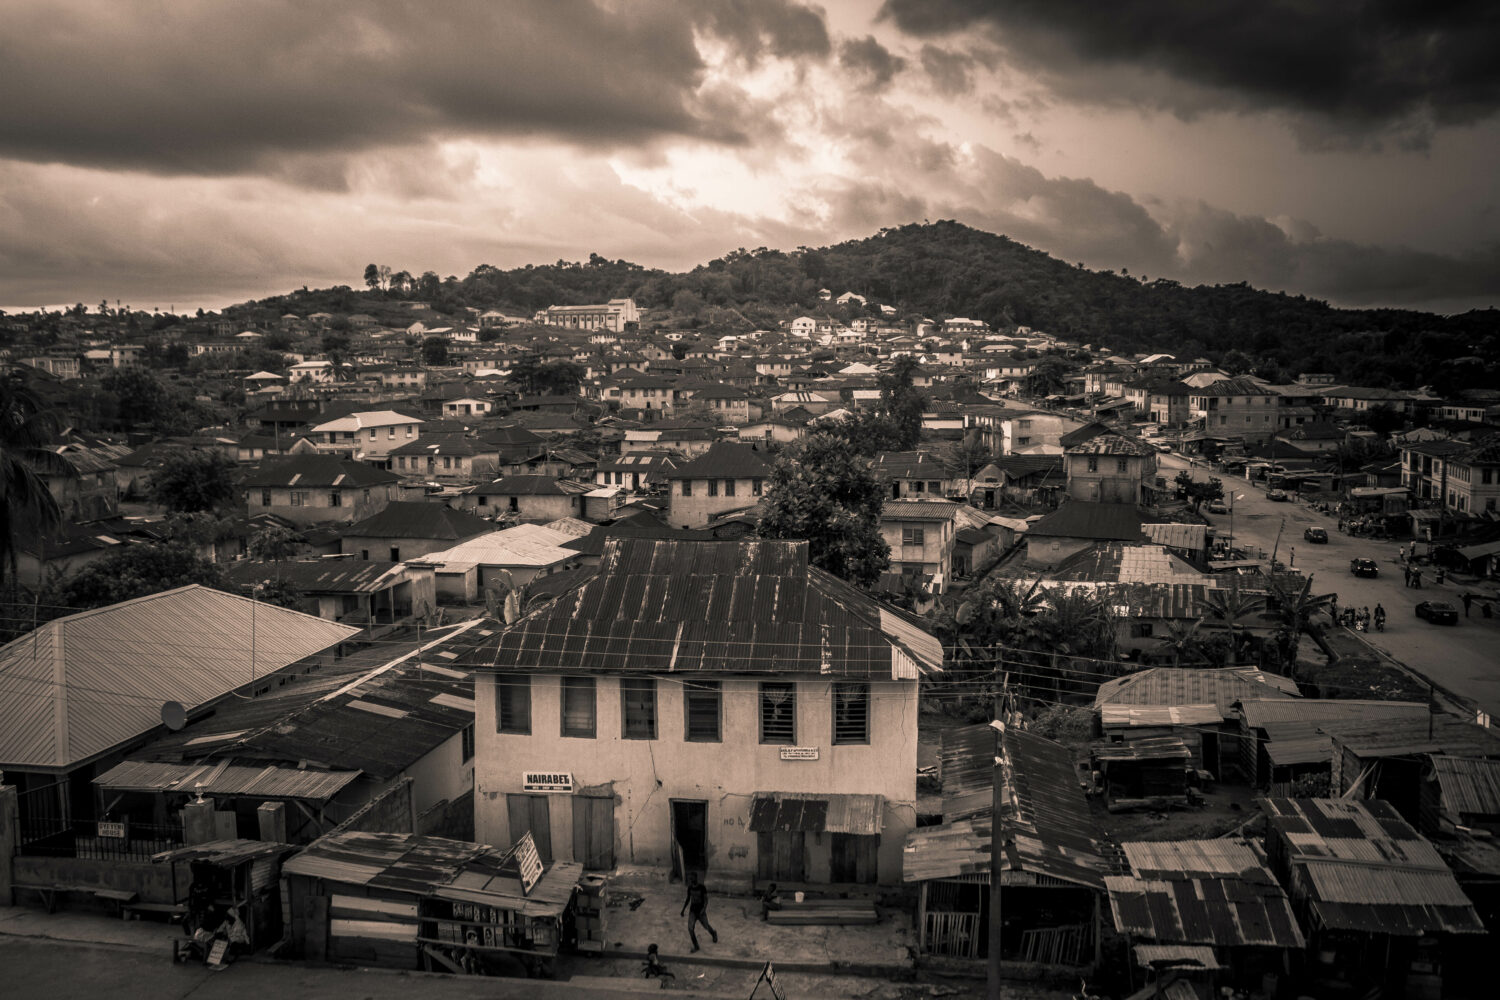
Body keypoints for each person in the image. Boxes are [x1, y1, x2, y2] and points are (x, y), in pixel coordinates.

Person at [681, 872, 717, 953]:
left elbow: (706, 900)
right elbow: (688, 899)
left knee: (706, 926)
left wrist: (703, 909)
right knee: (690, 929)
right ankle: (696, 946)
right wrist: (683, 910)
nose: (690, 880)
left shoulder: (702, 887)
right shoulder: (690, 888)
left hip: (701, 912)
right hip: (692, 911)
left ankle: (714, 933)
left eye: (691, 878)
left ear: (696, 878)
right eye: (689, 878)